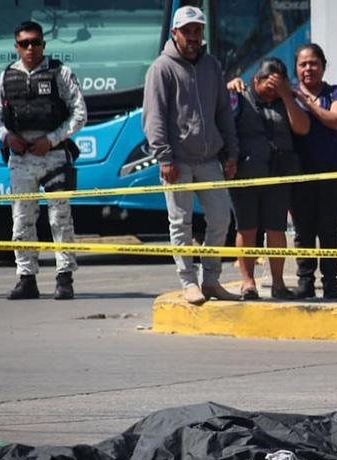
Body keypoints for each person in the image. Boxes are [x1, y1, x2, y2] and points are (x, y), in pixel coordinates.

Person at [143, 5, 240, 304]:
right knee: (180, 224)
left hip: (210, 159)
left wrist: (232, 152)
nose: (193, 36)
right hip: (177, 162)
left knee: (221, 219)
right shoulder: (161, 68)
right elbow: (154, 117)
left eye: (198, 30)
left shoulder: (211, 65)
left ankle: (210, 280)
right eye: (187, 31)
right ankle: (188, 282)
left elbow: (223, 112)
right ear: (175, 33)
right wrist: (164, 157)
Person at [0, 20, 87, 300]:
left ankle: (64, 278)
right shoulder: (6, 77)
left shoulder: (60, 73)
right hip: (21, 160)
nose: (30, 48)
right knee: (21, 219)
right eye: (24, 43)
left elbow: (80, 114)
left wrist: (52, 139)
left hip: (54, 156)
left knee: (60, 218)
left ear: (43, 45)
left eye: (35, 42)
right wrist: (8, 137)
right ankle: (26, 279)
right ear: (16, 47)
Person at [226, 58, 309, 300]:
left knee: (276, 230)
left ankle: (278, 284)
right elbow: (219, 115)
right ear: (256, 80)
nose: (272, 91)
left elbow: (302, 128)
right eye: (269, 86)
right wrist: (228, 87)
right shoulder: (239, 97)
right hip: (245, 175)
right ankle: (248, 283)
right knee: (247, 229)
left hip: (278, 176)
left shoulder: (287, 99)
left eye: (278, 85)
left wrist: (285, 96)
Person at [290, 43, 337, 300]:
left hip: (334, 173)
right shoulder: (288, 94)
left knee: (329, 230)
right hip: (301, 174)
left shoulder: (336, 92)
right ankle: (305, 282)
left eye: (313, 63)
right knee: (303, 231)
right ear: (296, 68)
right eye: (303, 64)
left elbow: (336, 120)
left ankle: (330, 283)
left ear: (323, 67)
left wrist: (309, 103)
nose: (308, 68)